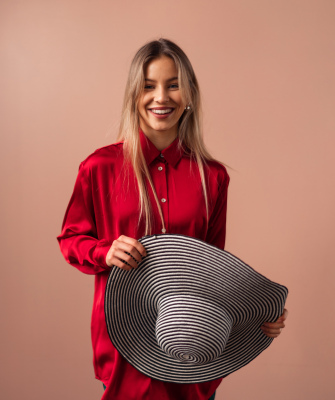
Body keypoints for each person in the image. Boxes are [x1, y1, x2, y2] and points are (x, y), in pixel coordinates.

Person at [57, 38, 288, 400]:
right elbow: (71, 240)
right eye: (148, 86)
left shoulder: (212, 178)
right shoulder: (99, 168)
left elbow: (215, 269)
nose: (161, 97)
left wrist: (254, 318)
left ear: (190, 94)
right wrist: (105, 252)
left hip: (192, 349)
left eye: (173, 85)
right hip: (124, 349)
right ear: (134, 95)